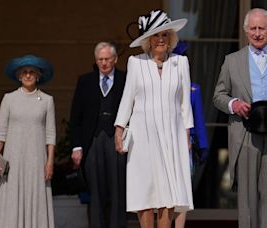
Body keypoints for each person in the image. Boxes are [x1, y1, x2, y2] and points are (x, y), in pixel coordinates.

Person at [213, 8, 267, 228]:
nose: (257, 33)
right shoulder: (232, 61)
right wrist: (234, 104)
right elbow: (218, 96)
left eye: (261, 28)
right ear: (245, 31)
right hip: (244, 136)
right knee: (247, 202)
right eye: (252, 28)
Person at [114, 9, 193, 228]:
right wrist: (119, 129)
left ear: (171, 38)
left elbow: (185, 103)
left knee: (169, 194)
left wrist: (186, 134)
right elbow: (127, 98)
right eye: (156, 35)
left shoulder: (181, 63)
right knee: (145, 192)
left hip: (172, 134)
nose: (160, 40)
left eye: (164, 35)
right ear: (148, 40)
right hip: (142, 136)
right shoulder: (135, 62)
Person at [0, 54, 56, 227]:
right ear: (19, 76)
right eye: (24, 72)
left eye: (32, 72)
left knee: (36, 196)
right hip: (13, 159)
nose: (28, 75)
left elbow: (50, 134)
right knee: (12, 197)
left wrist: (50, 161)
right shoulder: (9, 99)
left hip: (36, 160)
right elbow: (1, 131)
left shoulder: (47, 101)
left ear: (38, 76)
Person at [70, 42, 127, 228]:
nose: (103, 63)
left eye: (107, 59)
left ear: (115, 59)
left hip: (117, 141)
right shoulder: (85, 81)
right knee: (95, 192)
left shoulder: (126, 79)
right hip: (92, 141)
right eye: (100, 59)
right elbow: (75, 116)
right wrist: (76, 146)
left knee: (118, 192)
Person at [172, 42, 209, 228]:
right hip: (163, 144)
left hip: (186, 146)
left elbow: (199, 120)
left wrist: (203, 147)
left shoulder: (194, 89)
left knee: (183, 193)